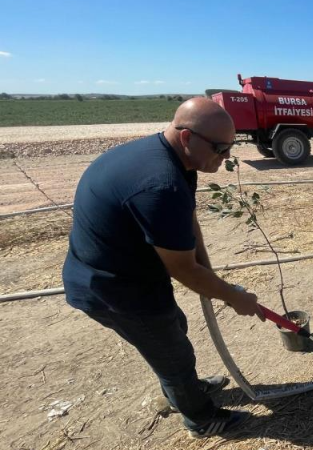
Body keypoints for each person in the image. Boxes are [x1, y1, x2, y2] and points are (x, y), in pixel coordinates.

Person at [62, 98, 266, 438]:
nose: (227, 156)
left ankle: (185, 387)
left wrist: (206, 263)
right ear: (187, 137)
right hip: (113, 289)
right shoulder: (161, 184)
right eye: (220, 148)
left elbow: (187, 218)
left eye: (231, 147)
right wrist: (233, 296)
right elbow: (184, 271)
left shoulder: (174, 159)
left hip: (129, 271)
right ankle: (200, 419)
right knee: (171, 353)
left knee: (174, 328)